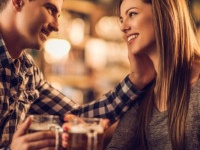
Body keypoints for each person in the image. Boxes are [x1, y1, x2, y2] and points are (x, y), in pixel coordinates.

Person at [0, 0, 155, 149]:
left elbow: (75, 117)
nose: (56, 26)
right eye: (50, 10)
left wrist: (136, 80)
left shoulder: (27, 70)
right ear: (18, 1)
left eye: (58, 15)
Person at [104, 0, 200, 149]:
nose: (123, 27)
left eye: (132, 14)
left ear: (163, 12)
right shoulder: (143, 88)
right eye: (121, 20)